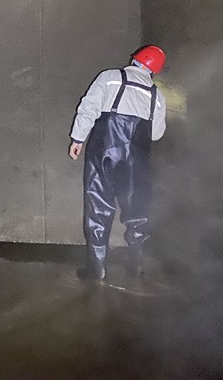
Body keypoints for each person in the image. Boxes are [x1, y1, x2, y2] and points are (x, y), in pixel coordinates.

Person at [68, 45, 167, 280]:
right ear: (154, 71)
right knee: (137, 208)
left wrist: (78, 138)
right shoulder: (157, 96)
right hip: (137, 158)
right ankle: (136, 265)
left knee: (99, 205)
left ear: (135, 61)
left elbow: (88, 107)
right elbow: (156, 134)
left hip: (105, 149)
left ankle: (97, 269)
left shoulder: (110, 77)